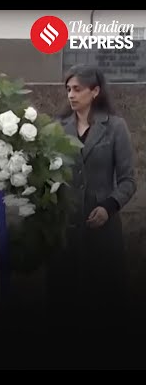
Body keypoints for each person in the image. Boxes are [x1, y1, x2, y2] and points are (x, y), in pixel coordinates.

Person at [48, 63, 136, 336]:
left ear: (95, 91)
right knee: (64, 306)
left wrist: (109, 207)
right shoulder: (57, 128)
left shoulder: (115, 127)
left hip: (102, 230)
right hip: (66, 231)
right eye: (68, 90)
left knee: (103, 306)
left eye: (77, 89)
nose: (71, 95)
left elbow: (128, 180)